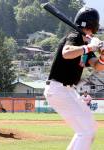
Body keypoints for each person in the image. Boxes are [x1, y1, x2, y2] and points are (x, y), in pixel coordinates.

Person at [44, 6, 104, 150]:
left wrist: (102, 56)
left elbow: (97, 66)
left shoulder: (84, 43)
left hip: (68, 91)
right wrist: (90, 47)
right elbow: (66, 53)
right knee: (86, 131)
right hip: (58, 88)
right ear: (91, 26)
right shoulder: (74, 36)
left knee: (89, 127)